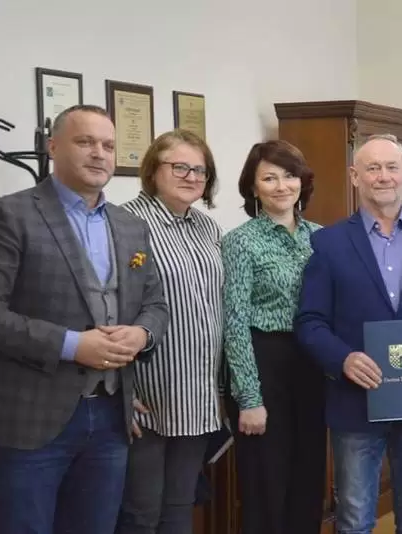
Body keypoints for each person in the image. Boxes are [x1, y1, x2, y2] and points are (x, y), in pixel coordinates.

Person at [0, 104, 169, 534]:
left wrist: (141, 334)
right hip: (31, 421)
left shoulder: (131, 226)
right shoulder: (10, 214)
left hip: (111, 417)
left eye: (108, 145)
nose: (99, 153)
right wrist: (72, 345)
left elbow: (156, 305)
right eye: (85, 141)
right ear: (53, 147)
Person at [295, 134, 402, 534]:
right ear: (355, 176)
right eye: (372, 168)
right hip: (356, 403)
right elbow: (310, 321)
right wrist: (343, 359)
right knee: (354, 521)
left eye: (391, 167)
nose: (383, 176)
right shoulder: (328, 243)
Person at [116, 129, 224, 534]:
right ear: (152, 170)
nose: (192, 177)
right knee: (140, 513)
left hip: (196, 395)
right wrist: (121, 391)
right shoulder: (124, 223)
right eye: (180, 167)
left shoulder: (207, 228)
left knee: (180, 507)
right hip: (147, 397)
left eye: (200, 170)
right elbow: (105, 307)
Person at [221, 140, 325, 534]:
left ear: (302, 182)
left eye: (289, 176)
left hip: (312, 365)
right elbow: (234, 322)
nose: (281, 186)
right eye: (269, 178)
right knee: (268, 485)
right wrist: (249, 398)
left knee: (308, 480)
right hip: (264, 363)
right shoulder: (240, 241)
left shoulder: (322, 237)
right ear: (253, 187)